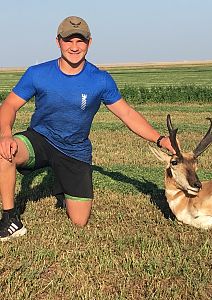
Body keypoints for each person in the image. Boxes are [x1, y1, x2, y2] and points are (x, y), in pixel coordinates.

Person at [0, 16, 174, 241]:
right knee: (5, 152)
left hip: (75, 150)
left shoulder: (100, 80)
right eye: (68, 40)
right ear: (58, 42)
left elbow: (127, 114)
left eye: (80, 41)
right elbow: (10, 105)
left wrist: (160, 139)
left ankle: (63, 185)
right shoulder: (37, 73)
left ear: (89, 43)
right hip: (40, 139)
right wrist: (5, 134)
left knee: (79, 221)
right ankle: (10, 219)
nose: (74, 47)